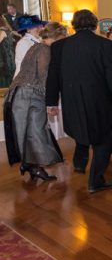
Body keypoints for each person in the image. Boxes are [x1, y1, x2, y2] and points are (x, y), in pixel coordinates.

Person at [45, 10, 112, 193]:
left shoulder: (59, 46)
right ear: (95, 24)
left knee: (80, 128)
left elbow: (53, 76)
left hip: (71, 100)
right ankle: (96, 181)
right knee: (104, 139)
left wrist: (51, 103)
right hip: (99, 100)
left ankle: (80, 164)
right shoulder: (105, 44)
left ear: (74, 25)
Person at [4, 22, 67, 181]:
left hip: (18, 93)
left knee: (28, 131)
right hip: (30, 94)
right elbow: (44, 77)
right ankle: (34, 166)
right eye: (62, 38)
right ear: (57, 36)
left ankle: (30, 165)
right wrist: (50, 102)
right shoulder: (45, 49)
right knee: (37, 131)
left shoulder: (35, 47)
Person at [0, 16, 15, 86]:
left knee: (6, 77)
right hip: (10, 56)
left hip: (6, 57)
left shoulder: (2, 32)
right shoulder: (8, 31)